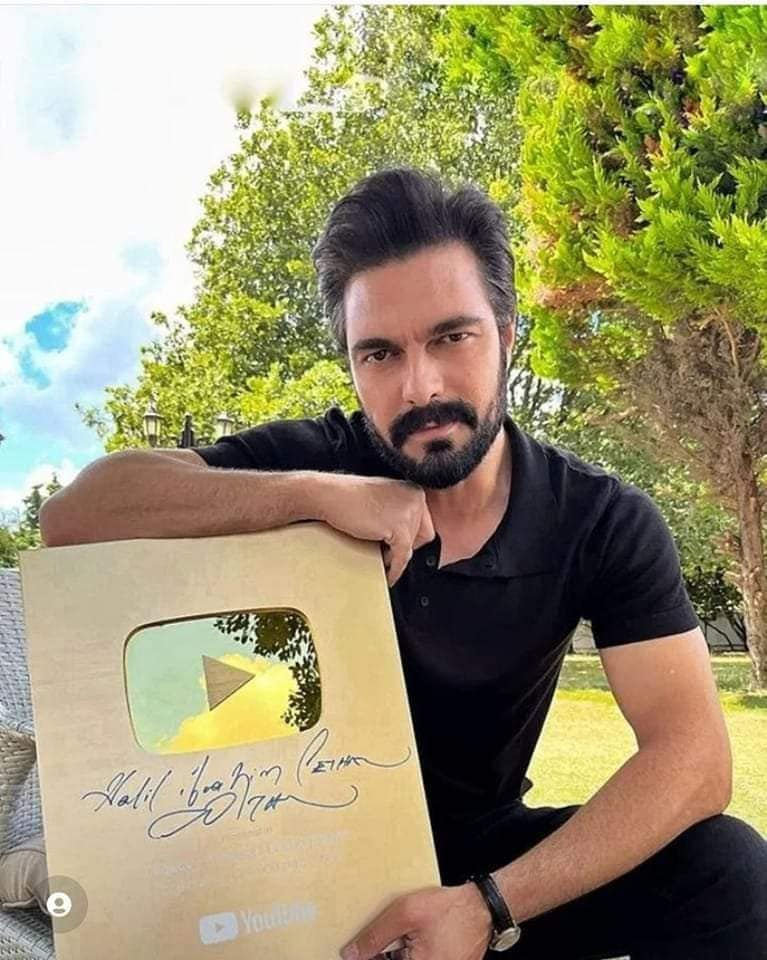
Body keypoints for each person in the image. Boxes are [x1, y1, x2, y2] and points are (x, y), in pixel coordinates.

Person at [40, 166, 767, 960]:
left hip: (483, 867)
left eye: (452, 337)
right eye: (379, 354)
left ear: (507, 334)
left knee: (727, 870)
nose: (419, 386)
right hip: (294, 857)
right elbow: (76, 517)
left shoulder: (597, 519)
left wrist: (489, 907)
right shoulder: (313, 463)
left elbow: (694, 760)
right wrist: (312, 496)